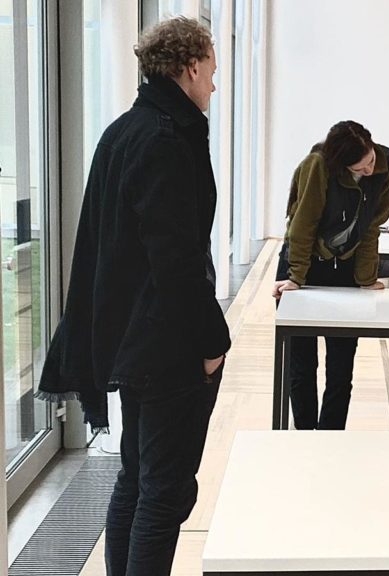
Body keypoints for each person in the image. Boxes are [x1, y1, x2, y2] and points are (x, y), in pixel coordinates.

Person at [37, 17, 229, 575]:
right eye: (212, 71)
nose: (215, 85)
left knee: (138, 480)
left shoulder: (126, 129)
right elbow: (175, 259)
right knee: (165, 493)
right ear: (191, 67)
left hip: (130, 337)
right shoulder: (168, 138)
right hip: (165, 343)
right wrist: (211, 342)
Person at [272, 121, 389, 430]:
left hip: (345, 269)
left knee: (341, 366)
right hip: (305, 265)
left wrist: (366, 277)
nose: (369, 170)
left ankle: (330, 435)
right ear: (340, 163)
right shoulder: (318, 166)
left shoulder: (386, 162)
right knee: (301, 363)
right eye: (360, 166)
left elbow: (370, 225)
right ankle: (304, 434)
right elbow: (303, 226)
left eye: (369, 160)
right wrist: (296, 278)